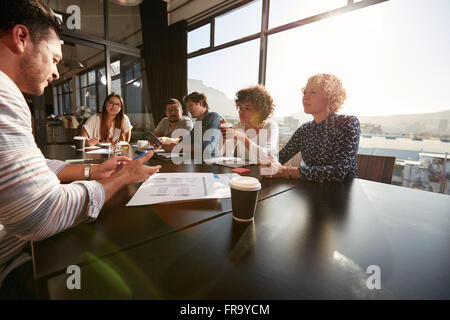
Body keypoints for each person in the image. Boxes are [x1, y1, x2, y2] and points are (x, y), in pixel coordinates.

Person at [0, 0, 160, 298]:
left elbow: (30, 165)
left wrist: (91, 169)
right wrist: (122, 179)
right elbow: (41, 214)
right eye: (55, 58)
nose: (57, 72)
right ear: (21, 38)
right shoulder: (3, 94)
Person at [260, 73, 360, 182]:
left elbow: (338, 172)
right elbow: (281, 156)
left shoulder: (348, 123)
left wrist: (284, 171)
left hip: (343, 193)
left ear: (330, 96)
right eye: (305, 92)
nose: (305, 97)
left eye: (313, 92)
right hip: (310, 192)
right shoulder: (305, 129)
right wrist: (269, 163)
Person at [220, 85, 278, 163]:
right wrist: (224, 137)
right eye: (240, 108)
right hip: (243, 172)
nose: (241, 112)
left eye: (247, 108)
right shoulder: (240, 126)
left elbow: (266, 157)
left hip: (264, 173)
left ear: (260, 111)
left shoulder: (270, 127)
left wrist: (243, 138)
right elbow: (224, 154)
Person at [160, 92, 224, 157]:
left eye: (190, 105)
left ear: (200, 103)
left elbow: (207, 147)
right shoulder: (198, 121)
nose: (188, 110)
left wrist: (178, 148)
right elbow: (187, 140)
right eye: (187, 107)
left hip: (210, 162)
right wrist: (168, 141)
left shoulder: (213, 117)